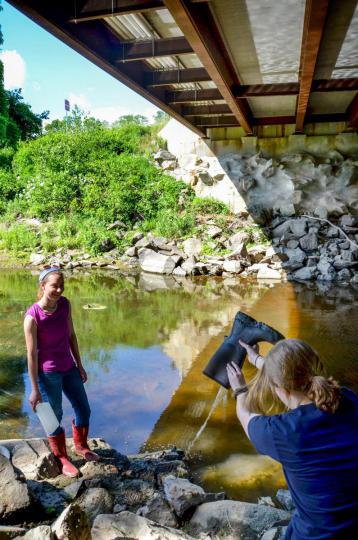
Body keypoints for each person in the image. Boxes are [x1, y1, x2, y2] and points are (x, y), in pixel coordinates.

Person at [226, 338, 358, 540]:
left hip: (318, 535)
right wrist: (257, 359)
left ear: (282, 389)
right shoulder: (347, 398)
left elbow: (244, 415)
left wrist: (240, 389)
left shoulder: (284, 433)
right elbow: (297, 376)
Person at [24, 267, 99, 477]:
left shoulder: (65, 305)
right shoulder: (33, 317)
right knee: (52, 416)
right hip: (48, 374)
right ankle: (61, 457)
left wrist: (80, 365)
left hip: (69, 368)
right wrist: (34, 389)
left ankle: (81, 446)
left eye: (61, 285)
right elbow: (31, 354)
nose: (58, 289)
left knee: (84, 409)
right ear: (43, 286)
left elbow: (72, 336)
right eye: (54, 285)